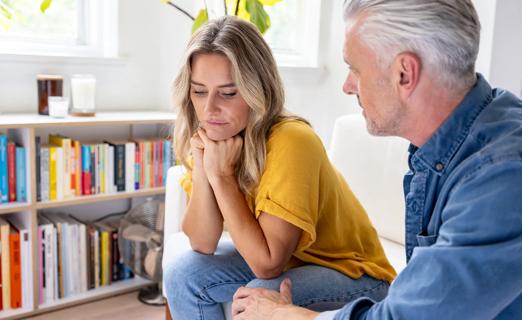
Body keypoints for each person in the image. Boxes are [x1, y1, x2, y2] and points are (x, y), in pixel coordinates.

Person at [231, 0, 522, 319]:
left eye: (354, 68)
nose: (346, 85)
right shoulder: (452, 143)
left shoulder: (499, 178)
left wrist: (282, 315)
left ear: (404, 73)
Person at [163, 16, 397, 320]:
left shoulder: (292, 140)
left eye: (228, 92)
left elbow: (268, 263)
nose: (209, 109)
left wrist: (222, 177)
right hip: (294, 265)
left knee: (258, 292)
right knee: (182, 273)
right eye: (199, 91)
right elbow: (202, 242)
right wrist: (207, 169)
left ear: (256, 89)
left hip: (353, 274)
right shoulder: (214, 136)